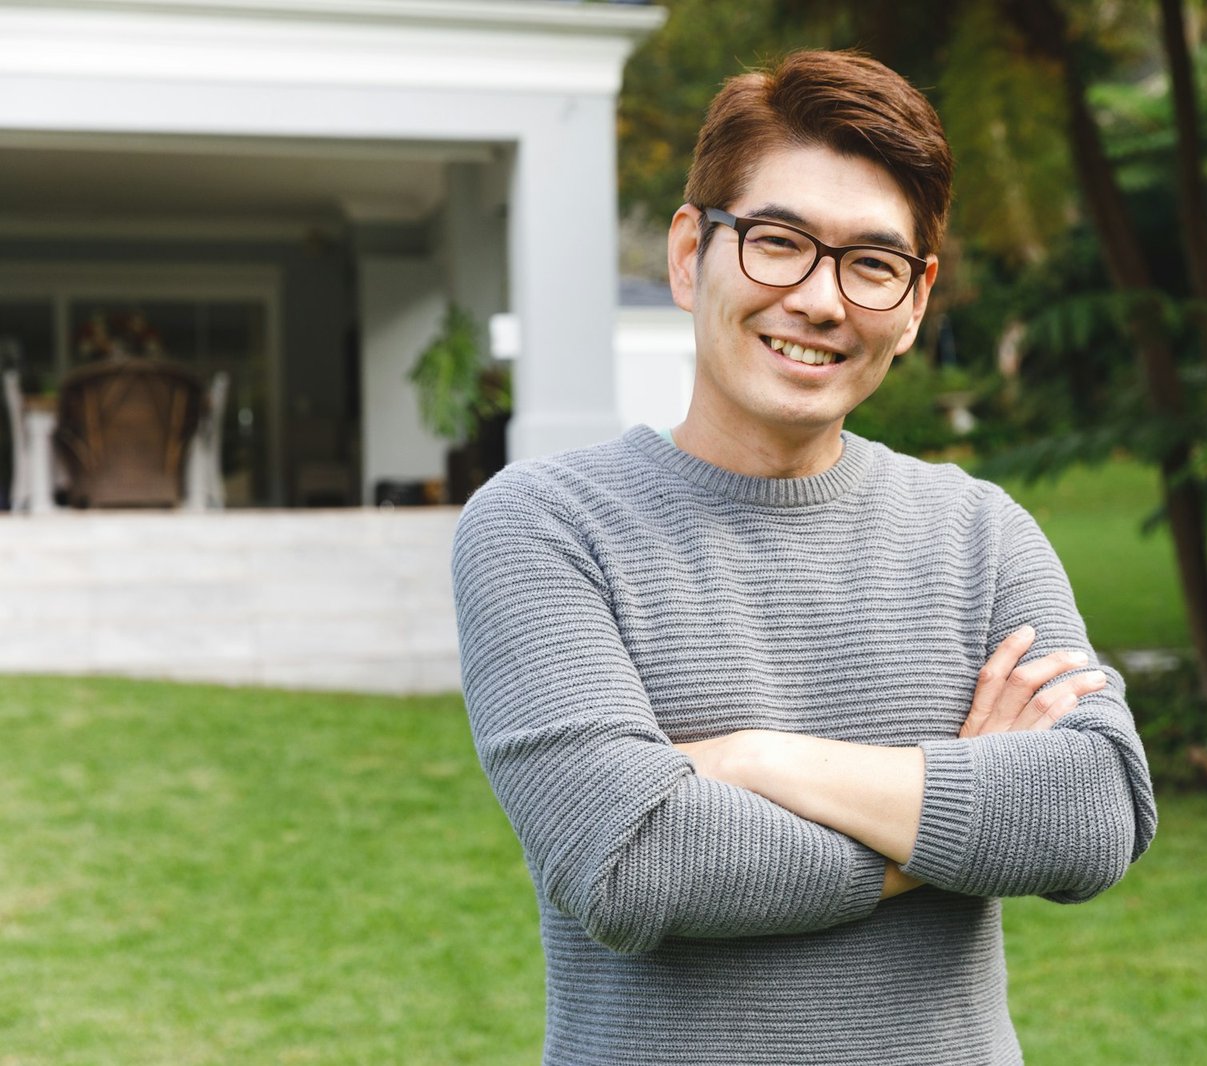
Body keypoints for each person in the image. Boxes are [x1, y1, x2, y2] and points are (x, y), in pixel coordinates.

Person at [452, 49, 1157, 1065]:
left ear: (913, 303)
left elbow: (1092, 812)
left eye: (871, 263)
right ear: (691, 253)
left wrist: (750, 762)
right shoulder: (543, 527)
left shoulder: (979, 529)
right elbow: (635, 865)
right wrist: (962, 804)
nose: (822, 300)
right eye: (779, 242)